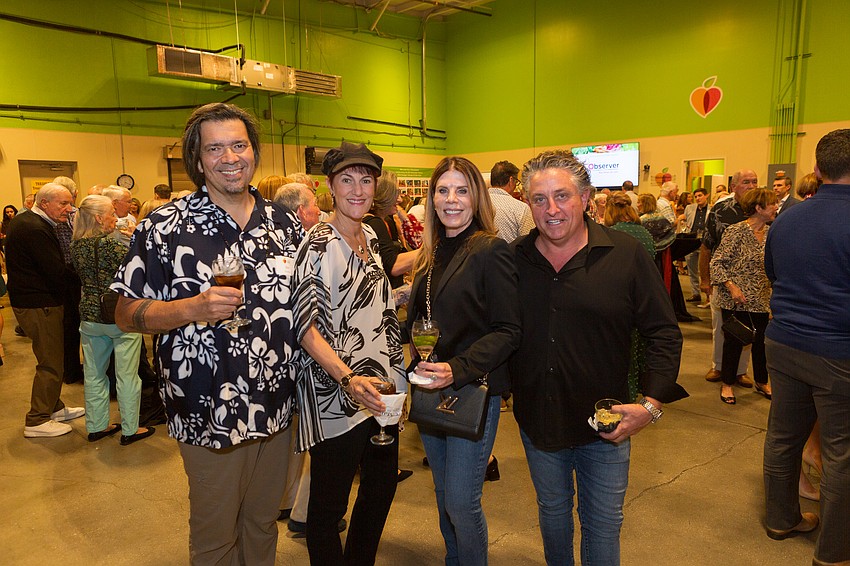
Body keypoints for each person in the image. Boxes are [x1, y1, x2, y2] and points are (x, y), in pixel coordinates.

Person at [112, 102, 302, 565]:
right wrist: (189, 308)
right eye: (214, 148)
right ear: (197, 160)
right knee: (215, 536)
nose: (229, 157)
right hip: (206, 403)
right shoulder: (165, 226)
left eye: (239, 145)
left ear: (254, 152)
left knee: (261, 523)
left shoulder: (284, 223)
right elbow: (122, 311)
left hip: (278, 401)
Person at [511, 150, 686, 566]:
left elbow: (662, 332)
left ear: (586, 197)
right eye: (539, 199)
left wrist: (651, 405)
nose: (551, 210)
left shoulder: (624, 255)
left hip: (606, 424)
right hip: (540, 421)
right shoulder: (514, 260)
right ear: (527, 202)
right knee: (552, 516)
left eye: (562, 196)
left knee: (603, 524)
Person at [292, 141, 405, 565]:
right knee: (327, 508)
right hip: (336, 396)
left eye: (366, 179)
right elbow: (304, 327)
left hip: (380, 392)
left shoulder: (371, 235)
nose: (357, 189)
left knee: (379, 491)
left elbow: (363, 303)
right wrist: (347, 378)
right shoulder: (318, 245)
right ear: (330, 187)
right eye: (347, 180)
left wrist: (401, 294)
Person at [406, 156, 522, 566]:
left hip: (471, 390)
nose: (451, 200)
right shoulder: (433, 252)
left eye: (461, 190)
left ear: (476, 196)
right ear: (432, 198)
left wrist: (455, 368)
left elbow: (509, 330)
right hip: (430, 388)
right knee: (442, 497)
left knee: (461, 502)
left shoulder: (491, 250)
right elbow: (430, 315)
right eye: (442, 190)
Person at [762, 129, 850, 566]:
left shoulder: (788, 218)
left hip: (783, 342)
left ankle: (780, 519)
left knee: (782, 436)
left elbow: (773, 272)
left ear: (817, 170)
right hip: (838, 351)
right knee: (841, 452)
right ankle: (834, 552)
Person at [69, 195, 151, 444]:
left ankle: (96, 426)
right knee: (127, 375)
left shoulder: (76, 247)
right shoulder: (117, 246)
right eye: (111, 214)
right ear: (98, 217)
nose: (115, 219)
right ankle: (130, 428)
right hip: (120, 315)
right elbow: (140, 268)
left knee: (94, 374)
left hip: (90, 315)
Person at [6, 183, 85, 437]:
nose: (69, 209)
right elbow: (55, 270)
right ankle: (37, 419)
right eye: (63, 204)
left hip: (37, 301)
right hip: (39, 304)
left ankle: (53, 406)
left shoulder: (31, 222)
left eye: (69, 203)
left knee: (54, 357)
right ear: (44, 203)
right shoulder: (34, 228)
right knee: (50, 361)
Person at [709, 188, 777, 404]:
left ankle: (762, 381)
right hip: (736, 299)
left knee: (761, 343)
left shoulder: (772, 232)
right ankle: (727, 384)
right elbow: (716, 263)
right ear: (758, 208)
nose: (776, 207)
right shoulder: (736, 231)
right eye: (772, 204)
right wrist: (731, 287)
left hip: (762, 298)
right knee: (734, 342)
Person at [699, 171, 759, 385]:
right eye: (746, 182)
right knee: (721, 326)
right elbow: (706, 246)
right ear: (733, 186)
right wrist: (704, 280)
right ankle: (718, 367)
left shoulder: (763, 210)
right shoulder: (720, 210)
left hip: (753, 283)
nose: (751, 186)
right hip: (723, 279)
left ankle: (740, 371)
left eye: (754, 182)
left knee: (747, 327)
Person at [364, 170, 418, 289]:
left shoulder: (378, 220)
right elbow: (393, 265)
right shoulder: (375, 223)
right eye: (396, 194)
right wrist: (432, 250)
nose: (399, 200)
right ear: (385, 196)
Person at [489, 160, 534, 242]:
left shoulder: (476, 204)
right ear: (511, 180)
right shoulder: (520, 208)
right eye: (516, 182)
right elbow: (530, 241)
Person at [682, 188, 710, 303]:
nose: (698, 198)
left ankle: (708, 297)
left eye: (700, 196)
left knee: (706, 269)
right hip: (692, 240)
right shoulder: (690, 208)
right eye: (696, 196)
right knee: (691, 268)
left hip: (705, 242)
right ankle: (695, 293)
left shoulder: (711, 209)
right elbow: (685, 221)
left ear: (706, 196)